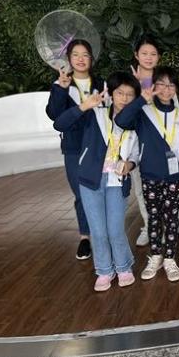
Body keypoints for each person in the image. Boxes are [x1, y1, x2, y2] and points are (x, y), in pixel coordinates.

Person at [53, 71, 140, 291]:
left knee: (115, 229)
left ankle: (123, 266)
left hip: (117, 181)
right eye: (120, 93)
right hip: (90, 180)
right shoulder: (95, 115)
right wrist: (84, 106)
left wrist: (129, 165)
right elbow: (59, 124)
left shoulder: (136, 122)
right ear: (111, 93)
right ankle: (104, 270)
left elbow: (136, 153)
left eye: (130, 94)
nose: (124, 98)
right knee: (98, 231)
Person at [115, 66, 179, 282]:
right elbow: (121, 121)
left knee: (171, 219)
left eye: (171, 85)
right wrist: (142, 99)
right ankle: (156, 256)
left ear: (176, 89)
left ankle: (169, 259)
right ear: (154, 86)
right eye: (162, 84)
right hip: (150, 175)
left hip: (175, 177)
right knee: (154, 218)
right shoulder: (144, 112)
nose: (167, 89)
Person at [46, 39, 105, 261]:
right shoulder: (62, 84)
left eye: (85, 54)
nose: (81, 59)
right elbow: (54, 114)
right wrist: (61, 89)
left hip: (99, 146)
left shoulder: (101, 84)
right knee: (81, 193)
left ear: (91, 59)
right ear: (69, 59)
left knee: (101, 189)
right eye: (76, 55)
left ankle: (104, 232)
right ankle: (85, 237)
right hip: (74, 147)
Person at [131, 35, 161, 247]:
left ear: (158, 57)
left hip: (160, 142)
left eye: (153, 54)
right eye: (144, 53)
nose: (149, 57)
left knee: (163, 186)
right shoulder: (130, 82)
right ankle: (149, 226)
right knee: (140, 187)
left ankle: (166, 225)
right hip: (136, 142)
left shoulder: (163, 80)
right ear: (136, 55)